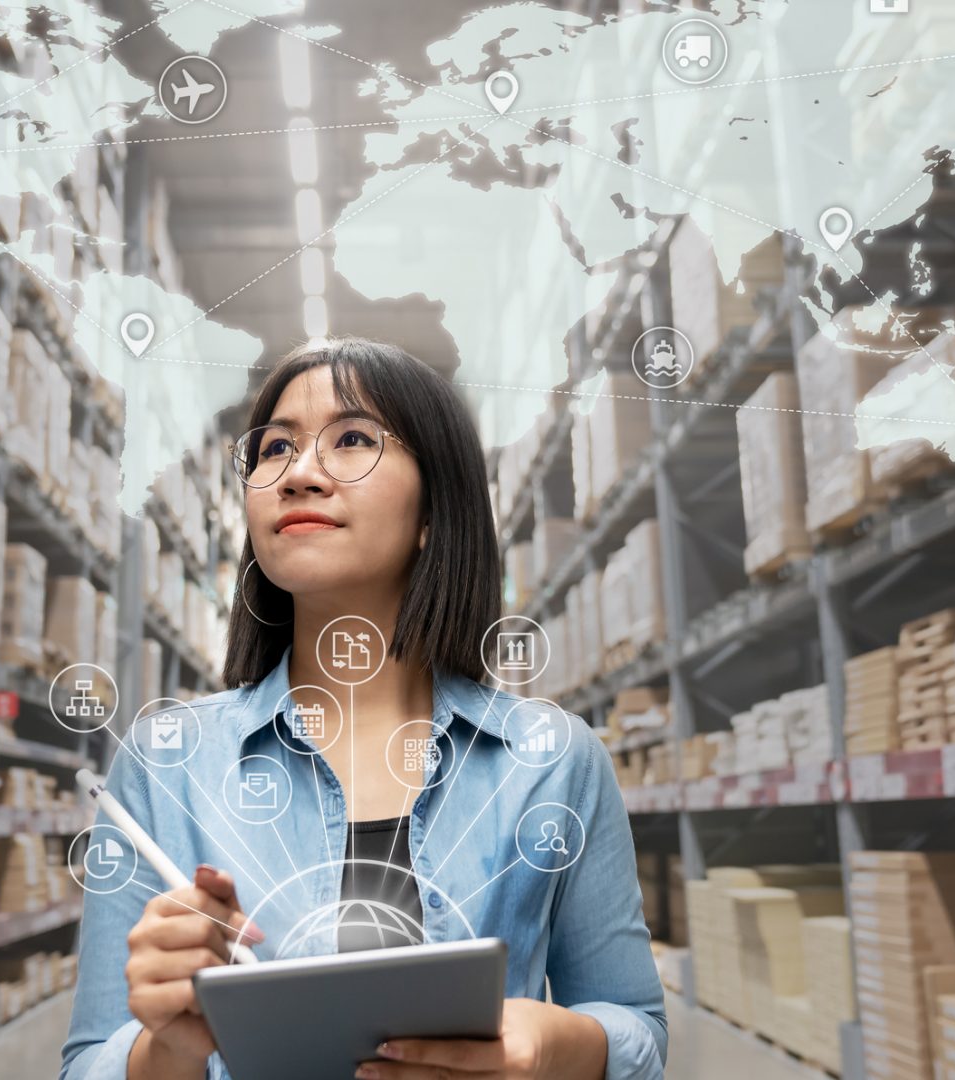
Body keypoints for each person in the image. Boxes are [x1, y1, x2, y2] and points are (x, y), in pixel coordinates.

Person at [62, 338, 667, 1080]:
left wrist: (551, 1046)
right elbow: (89, 1062)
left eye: (352, 439)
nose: (299, 473)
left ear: (433, 512)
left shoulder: (553, 761)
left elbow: (633, 1024)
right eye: (275, 447)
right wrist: (168, 1049)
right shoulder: (165, 765)